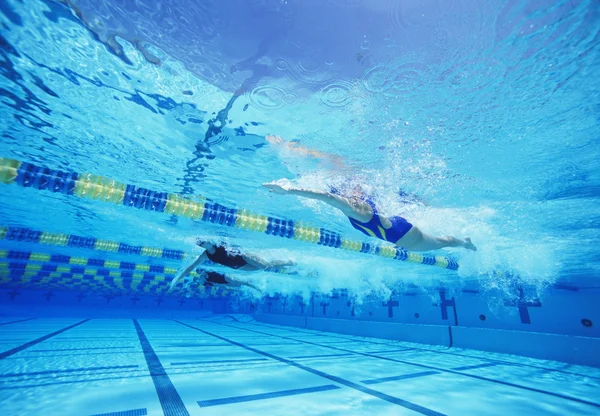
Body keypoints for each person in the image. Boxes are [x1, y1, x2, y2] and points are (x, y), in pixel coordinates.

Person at [262, 178, 477, 252]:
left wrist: (290, 190)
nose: (357, 189)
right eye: (352, 188)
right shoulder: (360, 207)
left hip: (410, 239)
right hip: (400, 231)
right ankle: (463, 242)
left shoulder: (358, 210)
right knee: (442, 241)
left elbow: (326, 197)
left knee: (445, 241)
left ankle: (465, 243)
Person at [169, 239, 295, 289]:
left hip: (244, 257)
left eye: (202, 243)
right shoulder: (205, 255)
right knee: (265, 267)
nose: (202, 245)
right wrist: (177, 279)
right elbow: (191, 267)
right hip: (240, 266)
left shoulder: (220, 243)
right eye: (200, 245)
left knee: (266, 266)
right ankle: (284, 264)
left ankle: (289, 262)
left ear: (207, 241)